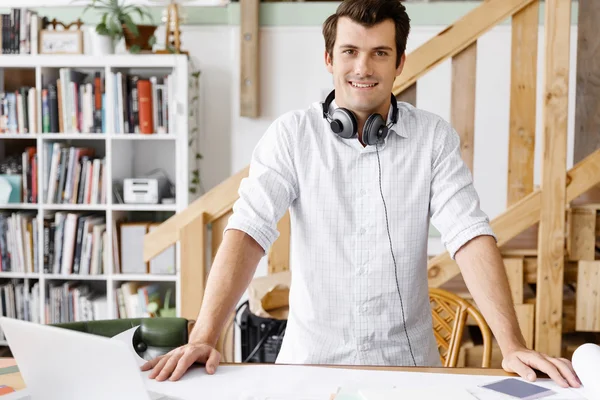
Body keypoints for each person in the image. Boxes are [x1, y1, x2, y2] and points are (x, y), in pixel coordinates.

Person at [141, 0, 581, 388]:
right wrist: (202, 338)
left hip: (407, 373)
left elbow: (468, 234)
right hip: (309, 369)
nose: (363, 68)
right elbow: (248, 231)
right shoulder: (292, 136)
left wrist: (513, 345)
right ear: (330, 59)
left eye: (379, 54)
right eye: (350, 52)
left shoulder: (433, 139)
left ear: (400, 62)